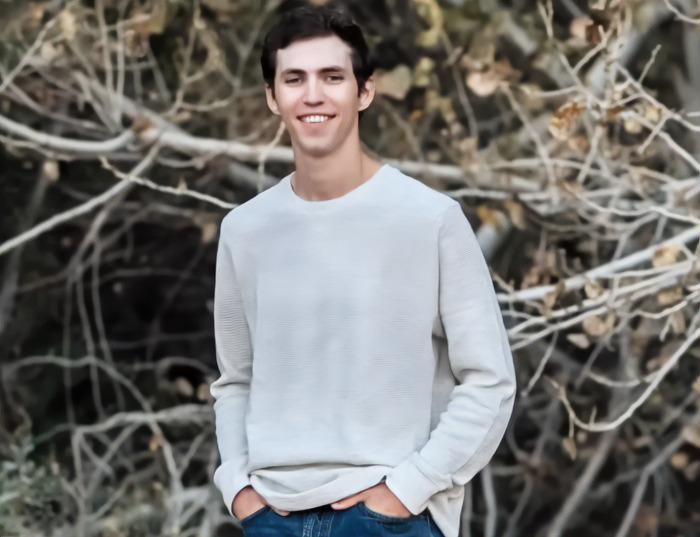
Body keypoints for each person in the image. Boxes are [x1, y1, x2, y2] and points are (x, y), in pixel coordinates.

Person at [210, 4, 516, 537]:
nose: (313, 95)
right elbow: (236, 380)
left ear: (365, 91)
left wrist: (409, 490)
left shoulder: (430, 219)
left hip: (387, 517)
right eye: (294, 79)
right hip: (271, 517)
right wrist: (239, 488)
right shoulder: (245, 230)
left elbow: (490, 381)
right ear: (272, 97)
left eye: (332, 77)